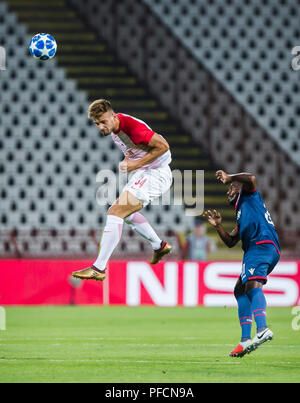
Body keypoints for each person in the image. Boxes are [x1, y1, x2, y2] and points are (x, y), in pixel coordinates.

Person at [72, 99, 173, 282]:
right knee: (124, 214)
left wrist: (135, 164)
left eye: (103, 122)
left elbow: (164, 146)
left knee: (115, 212)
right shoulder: (114, 129)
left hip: (156, 173)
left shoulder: (131, 127)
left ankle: (99, 268)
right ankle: (159, 246)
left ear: (113, 115)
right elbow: (136, 149)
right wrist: (129, 160)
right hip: (146, 172)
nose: (101, 127)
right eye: (97, 124)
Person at [203, 170, 280, 358]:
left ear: (241, 187)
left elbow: (252, 177)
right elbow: (230, 242)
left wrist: (230, 177)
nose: (229, 190)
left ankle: (261, 328)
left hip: (260, 245)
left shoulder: (249, 195)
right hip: (260, 249)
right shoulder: (242, 214)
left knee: (253, 285)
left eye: (232, 187)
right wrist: (219, 226)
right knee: (240, 289)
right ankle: (245, 340)